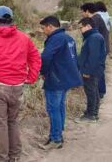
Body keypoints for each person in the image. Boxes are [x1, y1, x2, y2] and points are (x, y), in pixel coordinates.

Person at [0, 6, 41, 162]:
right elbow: (35, 59)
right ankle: (15, 155)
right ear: (11, 19)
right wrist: (30, 78)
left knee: (0, 123)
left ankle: (2, 158)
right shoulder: (24, 38)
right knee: (12, 121)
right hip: (17, 87)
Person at [38, 16, 82, 150]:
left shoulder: (55, 38)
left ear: (50, 26)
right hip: (65, 78)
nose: (43, 30)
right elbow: (75, 58)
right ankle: (58, 134)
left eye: (44, 27)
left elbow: (45, 56)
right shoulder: (69, 38)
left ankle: (56, 139)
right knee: (60, 106)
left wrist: (43, 72)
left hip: (56, 79)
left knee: (53, 109)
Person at [75, 18, 106, 123]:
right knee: (94, 91)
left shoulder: (94, 38)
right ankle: (93, 113)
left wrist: (87, 71)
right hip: (93, 70)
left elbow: (93, 57)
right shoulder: (92, 36)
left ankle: (90, 115)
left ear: (88, 26)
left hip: (91, 71)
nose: (80, 30)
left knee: (91, 92)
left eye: (81, 28)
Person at [80, 3, 109, 99]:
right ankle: (100, 92)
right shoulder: (98, 17)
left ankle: (99, 93)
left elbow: (92, 38)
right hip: (102, 47)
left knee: (96, 72)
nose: (81, 14)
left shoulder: (94, 20)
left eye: (82, 11)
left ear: (87, 11)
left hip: (98, 49)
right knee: (99, 70)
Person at [95, 1, 112, 98]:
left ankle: (101, 91)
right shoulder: (107, 15)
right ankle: (102, 90)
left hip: (100, 47)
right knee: (101, 68)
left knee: (99, 69)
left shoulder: (98, 17)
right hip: (106, 45)